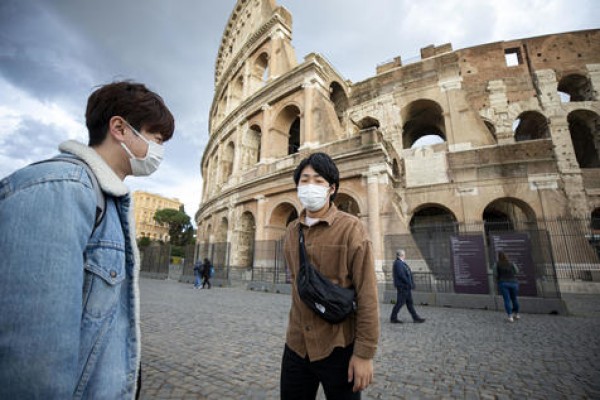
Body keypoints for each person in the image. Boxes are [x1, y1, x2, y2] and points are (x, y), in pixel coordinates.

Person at [0, 81, 175, 399]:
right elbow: (35, 357)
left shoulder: (106, 200)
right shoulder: (62, 190)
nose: (159, 151)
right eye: (156, 138)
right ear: (120, 128)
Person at [280, 152, 380, 399]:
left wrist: (364, 354)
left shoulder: (351, 228)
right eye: (304, 180)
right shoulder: (291, 232)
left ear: (332, 188)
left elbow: (367, 294)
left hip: (338, 347)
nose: (310, 186)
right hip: (296, 345)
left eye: (318, 180)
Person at [390, 249, 426, 324]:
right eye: (404, 254)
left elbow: (407, 274)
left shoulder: (401, 263)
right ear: (402, 255)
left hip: (406, 287)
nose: (405, 256)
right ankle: (393, 318)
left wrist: (411, 283)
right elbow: (401, 275)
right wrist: (409, 283)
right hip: (403, 287)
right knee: (400, 303)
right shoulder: (398, 263)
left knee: (409, 303)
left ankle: (415, 318)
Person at [494, 251, 520, 322]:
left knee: (507, 300)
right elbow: (517, 271)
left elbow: (495, 274)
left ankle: (510, 316)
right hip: (513, 282)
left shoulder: (497, 264)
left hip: (503, 283)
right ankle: (517, 314)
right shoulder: (511, 263)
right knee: (514, 299)